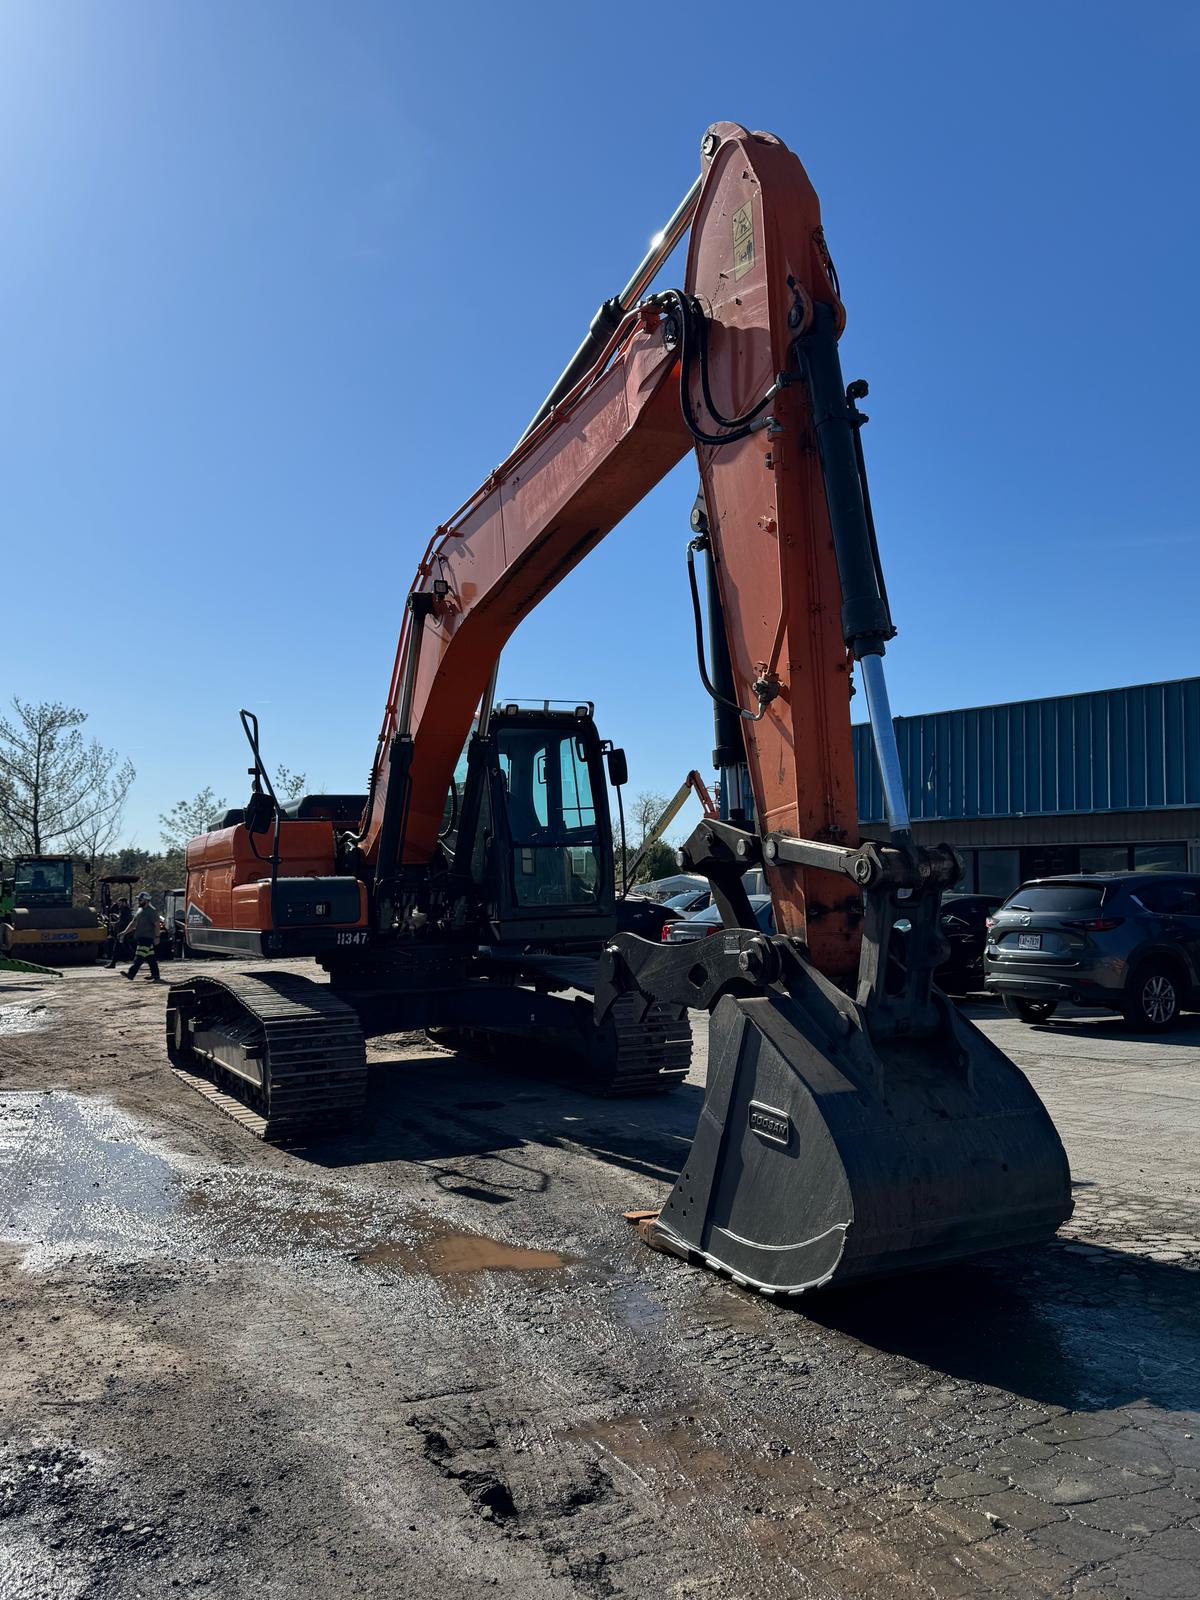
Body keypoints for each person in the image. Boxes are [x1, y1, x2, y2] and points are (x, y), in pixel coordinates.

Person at [122, 892, 165, 983]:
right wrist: (125, 932)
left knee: (139, 956)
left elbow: (157, 925)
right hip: (140, 937)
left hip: (147, 938)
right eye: (138, 899)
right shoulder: (139, 910)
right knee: (150, 958)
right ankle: (155, 975)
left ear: (146, 900)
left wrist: (157, 937)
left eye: (140, 900)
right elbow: (133, 923)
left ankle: (131, 974)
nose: (138, 901)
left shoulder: (151, 911)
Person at [105, 898, 132, 968]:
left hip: (122, 931)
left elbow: (123, 921)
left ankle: (113, 963)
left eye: (120, 903)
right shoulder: (126, 910)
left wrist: (115, 924)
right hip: (124, 931)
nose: (119, 904)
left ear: (124, 902)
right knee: (123, 946)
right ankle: (114, 962)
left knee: (117, 947)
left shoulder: (124, 910)